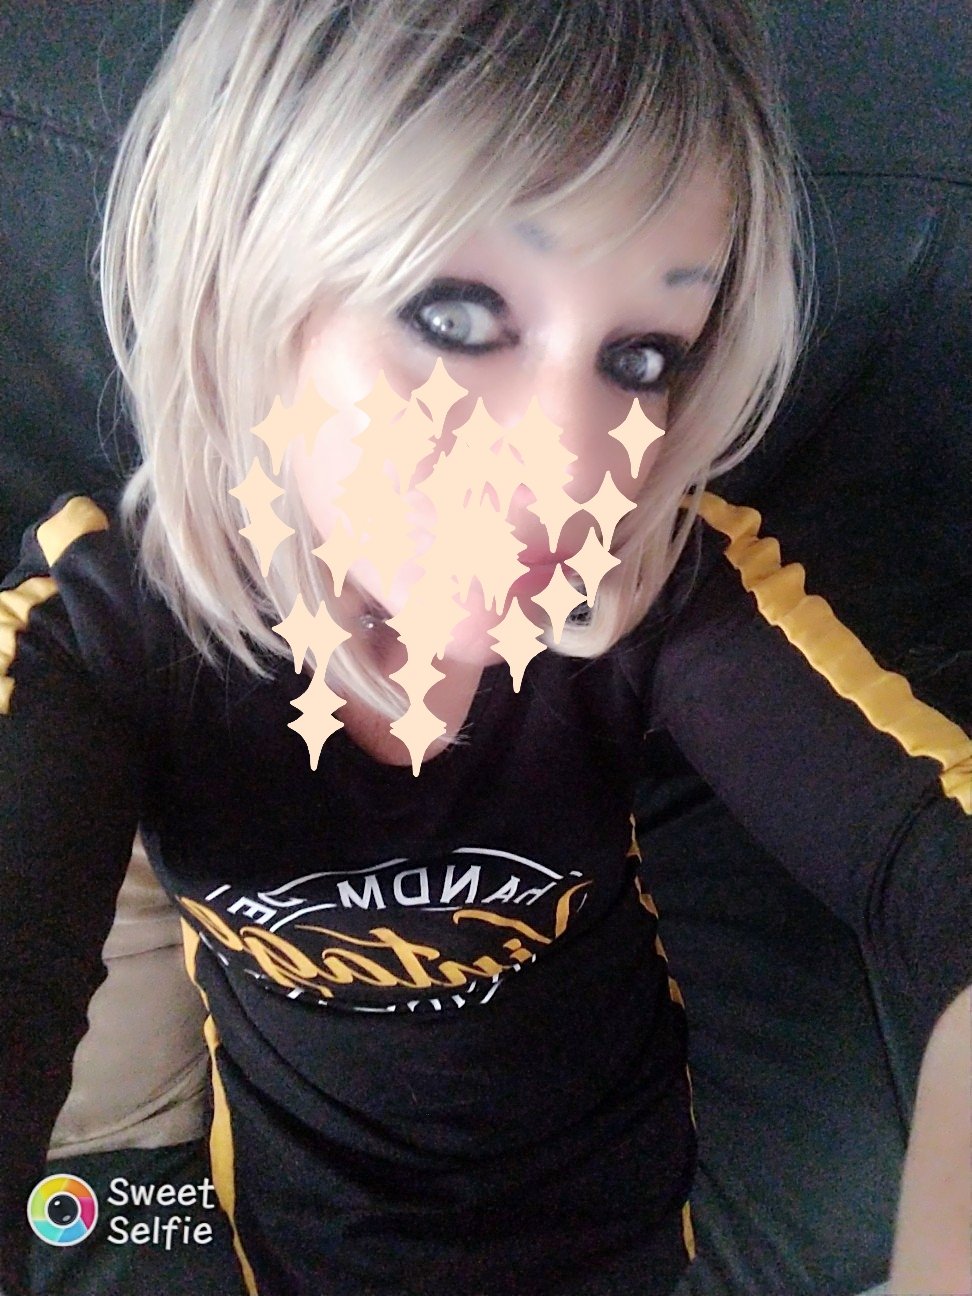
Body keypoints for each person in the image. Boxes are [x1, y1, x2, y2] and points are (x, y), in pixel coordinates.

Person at [0, 2, 968, 1294]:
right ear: (243, 284)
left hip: (641, 1211)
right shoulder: (95, 631)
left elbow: (926, 853)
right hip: (294, 1239)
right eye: (455, 318)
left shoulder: (659, 580)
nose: (572, 471)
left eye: (640, 357)